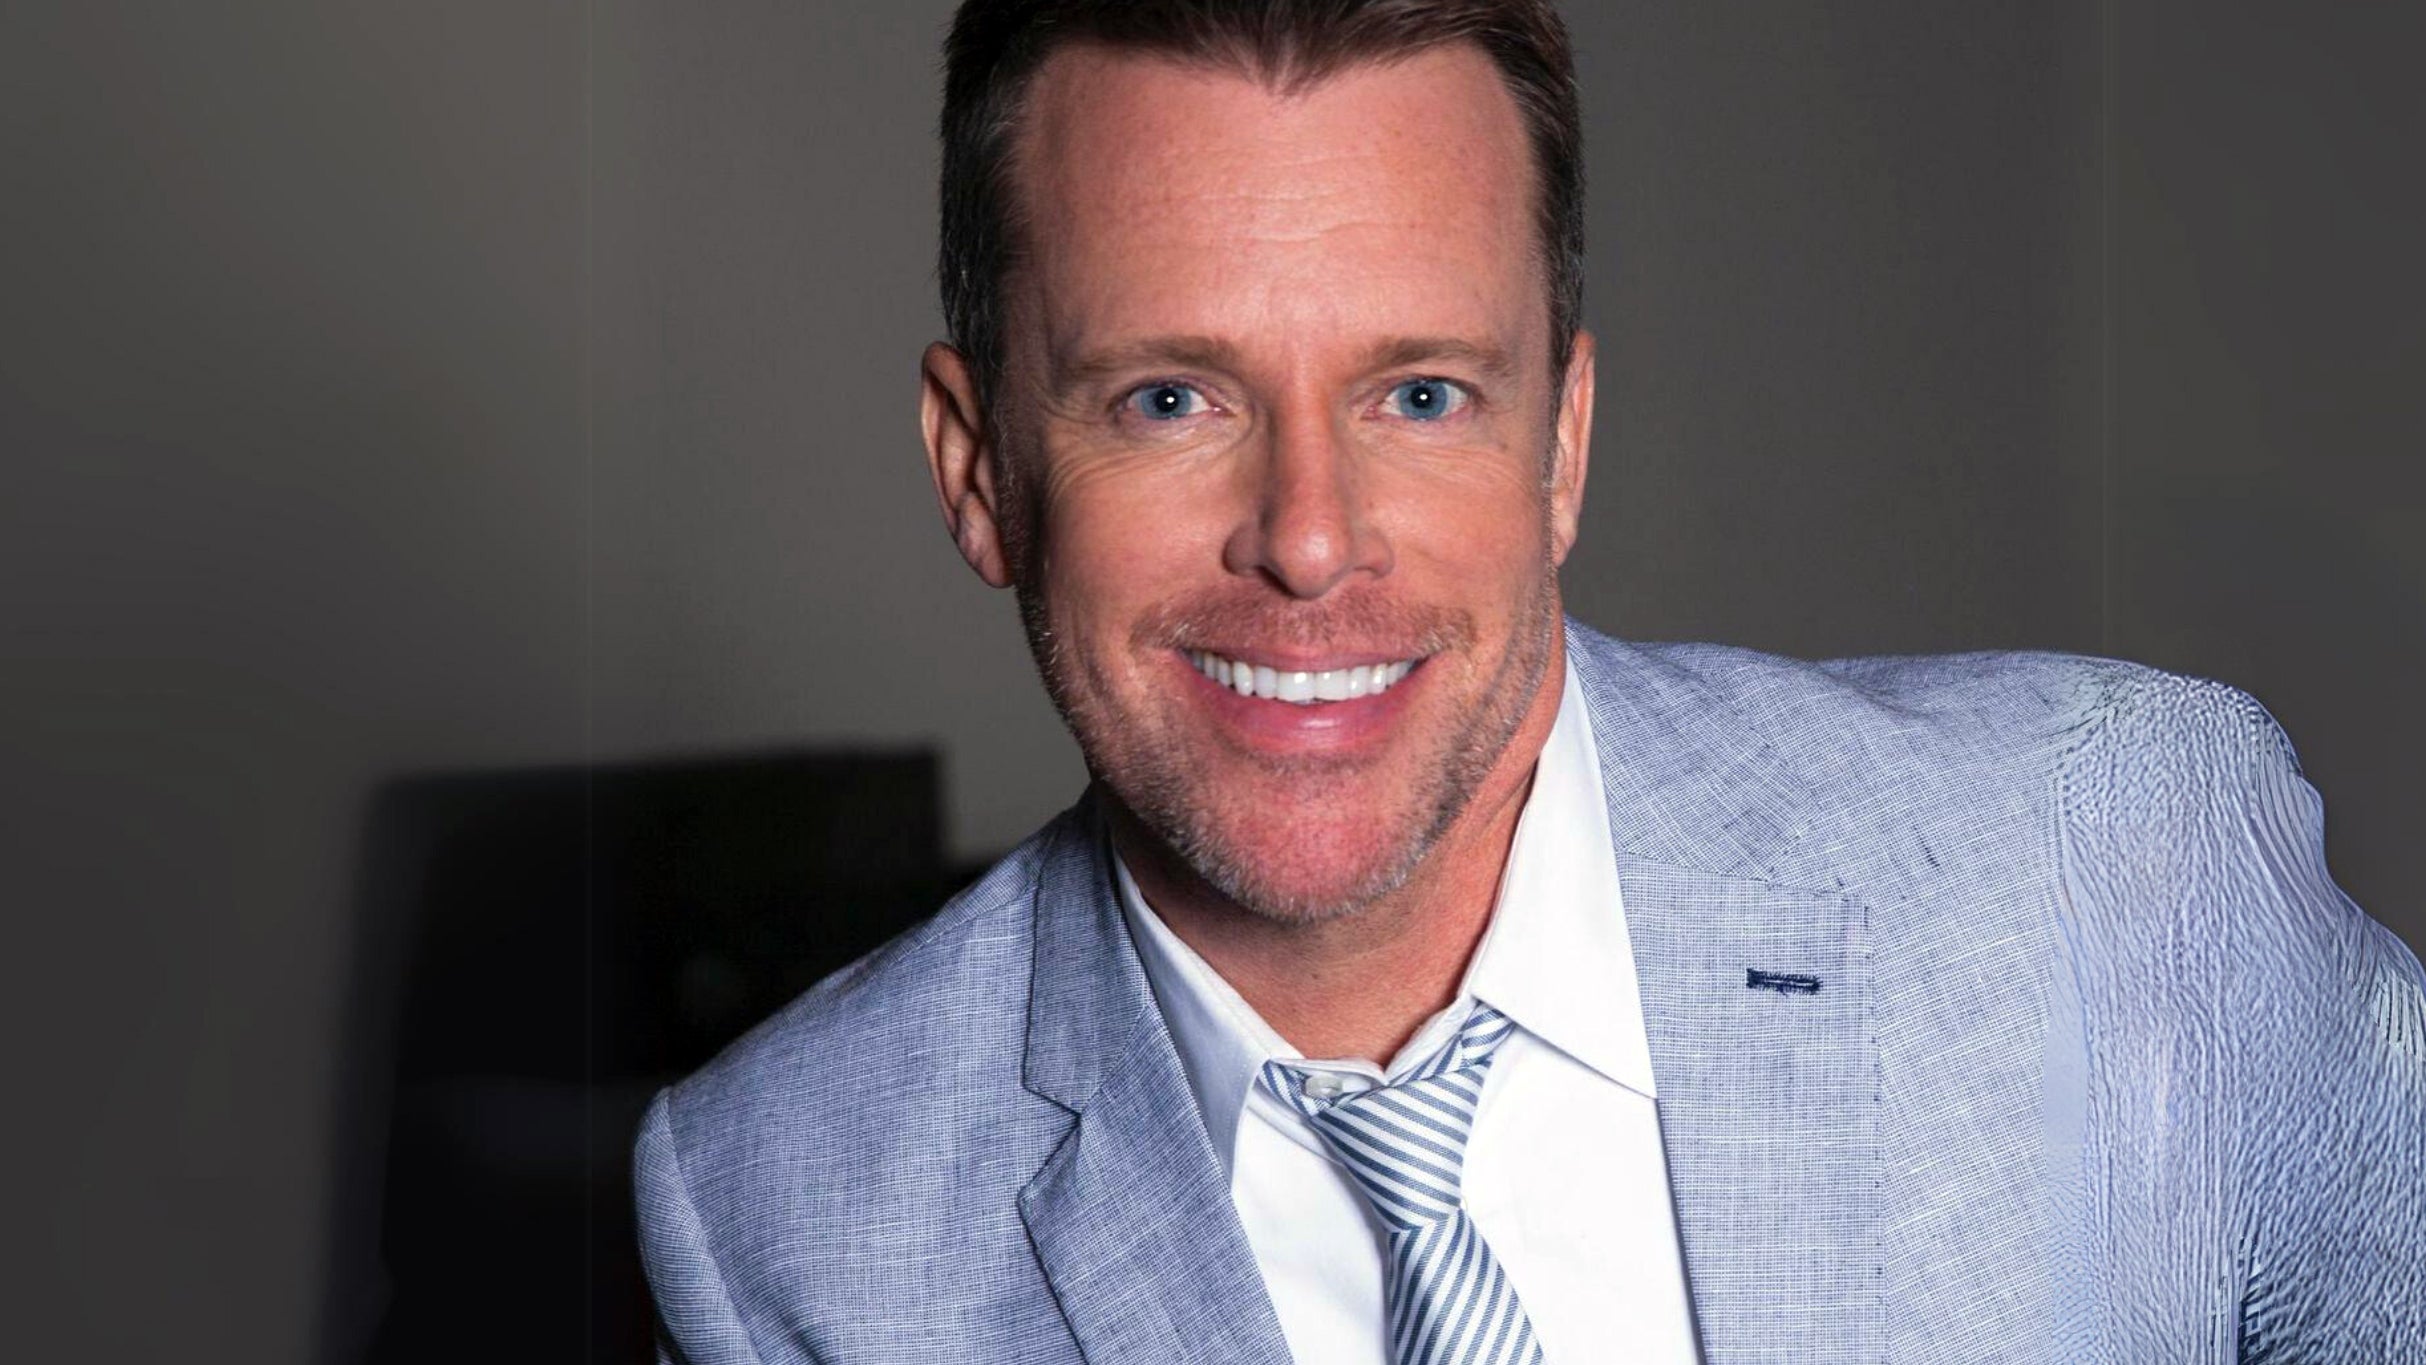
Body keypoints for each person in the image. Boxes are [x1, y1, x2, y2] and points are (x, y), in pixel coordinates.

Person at [633, 2, 2426, 1360]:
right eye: (1169, 398)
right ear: (978, 470)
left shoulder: (2115, 858)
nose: (1310, 539)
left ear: (1560, 442)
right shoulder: (777, 1216)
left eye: (1420, 394)